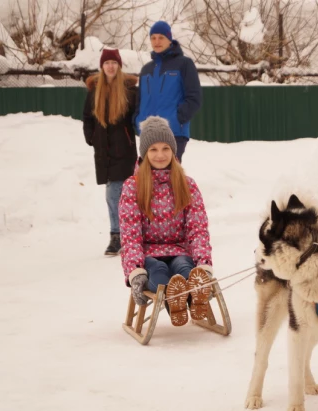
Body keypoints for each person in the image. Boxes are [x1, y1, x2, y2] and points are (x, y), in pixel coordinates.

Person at [119, 116, 213, 327]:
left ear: (173, 150)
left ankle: (194, 293)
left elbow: (197, 229)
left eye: (165, 148)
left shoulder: (187, 185)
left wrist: (204, 264)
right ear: (144, 153)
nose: (160, 155)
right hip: (148, 254)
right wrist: (135, 272)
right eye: (153, 149)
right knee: (160, 275)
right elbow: (130, 234)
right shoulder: (132, 187)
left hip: (180, 250)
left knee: (186, 269)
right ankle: (177, 300)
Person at [83, 48, 138, 256]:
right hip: (103, 151)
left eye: (114, 63)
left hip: (124, 150)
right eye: (107, 63)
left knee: (115, 194)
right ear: (102, 66)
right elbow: (87, 118)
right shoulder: (94, 91)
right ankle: (125, 235)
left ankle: (118, 236)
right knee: (115, 195)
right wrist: (91, 138)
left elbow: (136, 116)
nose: (111, 66)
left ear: (119, 65)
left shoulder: (129, 91)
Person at [133, 20, 202, 163]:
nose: (157, 41)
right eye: (153, 38)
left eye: (161, 37)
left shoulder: (184, 64)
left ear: (169, 39)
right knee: (148, 180)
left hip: (173, 132)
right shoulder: (146, 69)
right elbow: (139, 101)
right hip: (148, 133)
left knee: (170, 180)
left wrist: (177, 118)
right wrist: (137, 119)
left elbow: (194, 98)